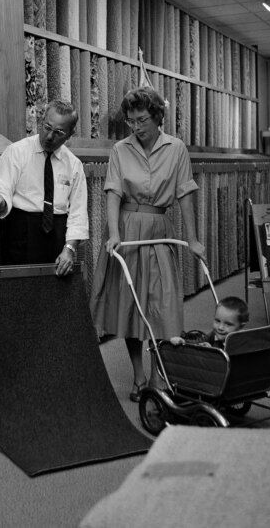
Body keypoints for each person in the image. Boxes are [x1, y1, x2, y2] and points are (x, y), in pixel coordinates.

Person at [90, 86, 205, 401]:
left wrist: (193, 240)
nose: (136, 127)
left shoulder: (176, 148)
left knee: (163, 306)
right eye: (131, 121)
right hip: (126, 230)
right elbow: (113, 193)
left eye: (141, 120)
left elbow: (184, 193)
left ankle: (158, 377)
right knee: (130, 308)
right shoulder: (120, 149)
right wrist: (113, 234)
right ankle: (139, 377)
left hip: (159, 229)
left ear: (157, 117)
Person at [0, 100, 89, 276]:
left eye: (58, 132)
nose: (49, 136)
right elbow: (3, 190)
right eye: (47, 127)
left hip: (57, 236)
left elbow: (78, 213)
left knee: (56, 297)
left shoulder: (74, 165)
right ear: (41, 121)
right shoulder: (16, 152)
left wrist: (69, 249)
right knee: (19, 295)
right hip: (21, 233)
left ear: (70, 134)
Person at [169, 296, 250, 349]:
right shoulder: (214, 334)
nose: (220, 327)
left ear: (241, 326)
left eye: (228, 324)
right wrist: (183, 342)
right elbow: (197, 342)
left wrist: (211, 351)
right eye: (217, 321)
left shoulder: (243, 343)